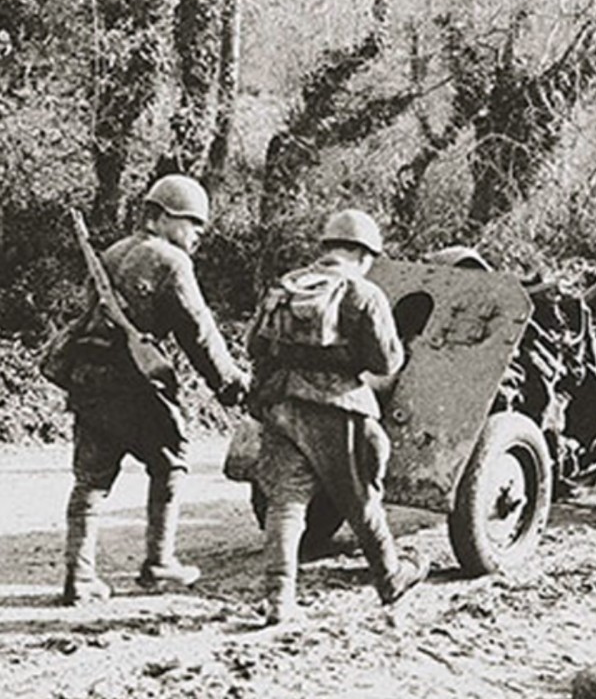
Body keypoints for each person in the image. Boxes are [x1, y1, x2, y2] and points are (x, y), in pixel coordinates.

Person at [58, 175, 250, 605]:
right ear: (161, 218)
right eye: (192, 224)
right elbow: (197, 331)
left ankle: (79, 576)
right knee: (171, 461)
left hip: (89, 378)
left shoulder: (111, 253)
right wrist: (229, 381)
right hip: (134, 383)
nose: (198, 234)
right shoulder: (170, 261)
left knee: (91, 480)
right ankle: (159, 563)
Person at [247, 208, 427, 625]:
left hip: (279, 403)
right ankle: (390, 577)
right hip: (338, 408)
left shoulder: (285, 285)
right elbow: (386, 362)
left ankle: (278, 598)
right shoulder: (363, 293)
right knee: (361, 498)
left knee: (285, 503)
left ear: (326, 247)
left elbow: (253, 342)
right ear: (365, 254)